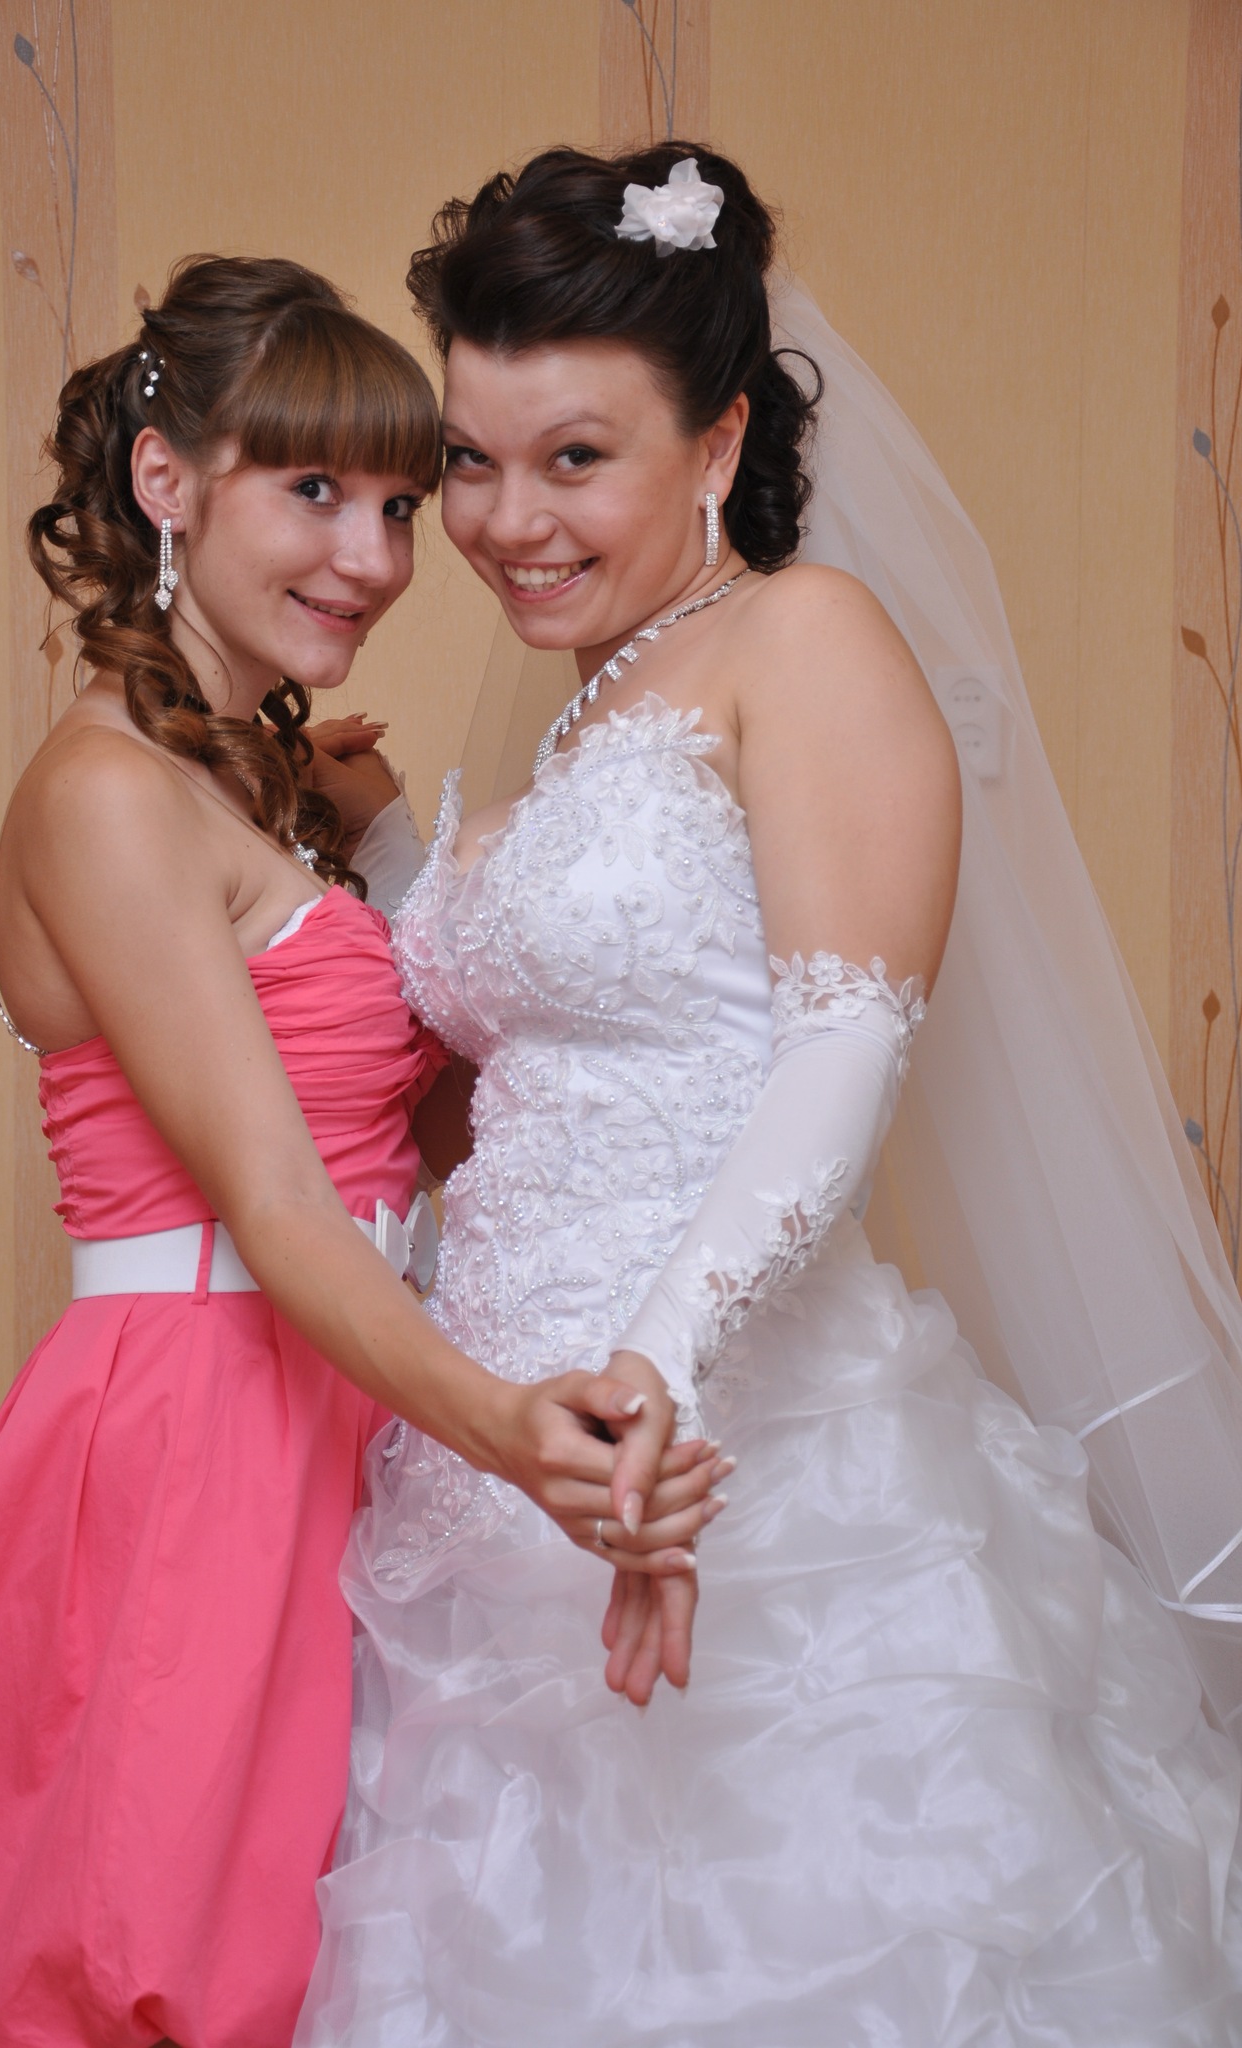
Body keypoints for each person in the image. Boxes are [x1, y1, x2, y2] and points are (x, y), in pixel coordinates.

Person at [296, 149, 1242, 2045]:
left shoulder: (809, 640)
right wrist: (390, 843)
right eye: (469, 460)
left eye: (576, 458)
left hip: (739, 1456)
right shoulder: (601, 701)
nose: (504, 521)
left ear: (720, 438)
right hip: (494, 1469)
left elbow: (838, 1043)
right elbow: (553, 1031)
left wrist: (656, 1372)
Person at [0, 254, 718, 2048]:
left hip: (338, 1394)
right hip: (203, 1429)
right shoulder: (105, 795)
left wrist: (420, 859)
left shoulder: (259, 784)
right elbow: (272, 1203)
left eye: (400, 505)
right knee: (195, 1969)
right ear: (165, 481)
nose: (373, 556)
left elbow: (422, 1122)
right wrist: (505, 1428)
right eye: (315, 490)